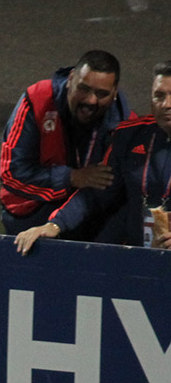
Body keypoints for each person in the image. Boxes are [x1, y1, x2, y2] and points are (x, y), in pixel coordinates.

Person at [15, 61, 171, 255]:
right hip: (139, 260)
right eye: (159, 96)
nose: (166, 105)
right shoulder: (131, 136)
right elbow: (95, 194)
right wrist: (54, 225)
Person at [0, 50, 130, 240]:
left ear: (114, 93)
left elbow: (106, 190)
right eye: (83, 89)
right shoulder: (38, 100)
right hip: (31, 211)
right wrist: (71, 178)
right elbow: (11, 174)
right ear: (70, 79)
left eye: (101, 94)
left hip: (85, 213)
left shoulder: (124, 125)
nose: (90, 100)